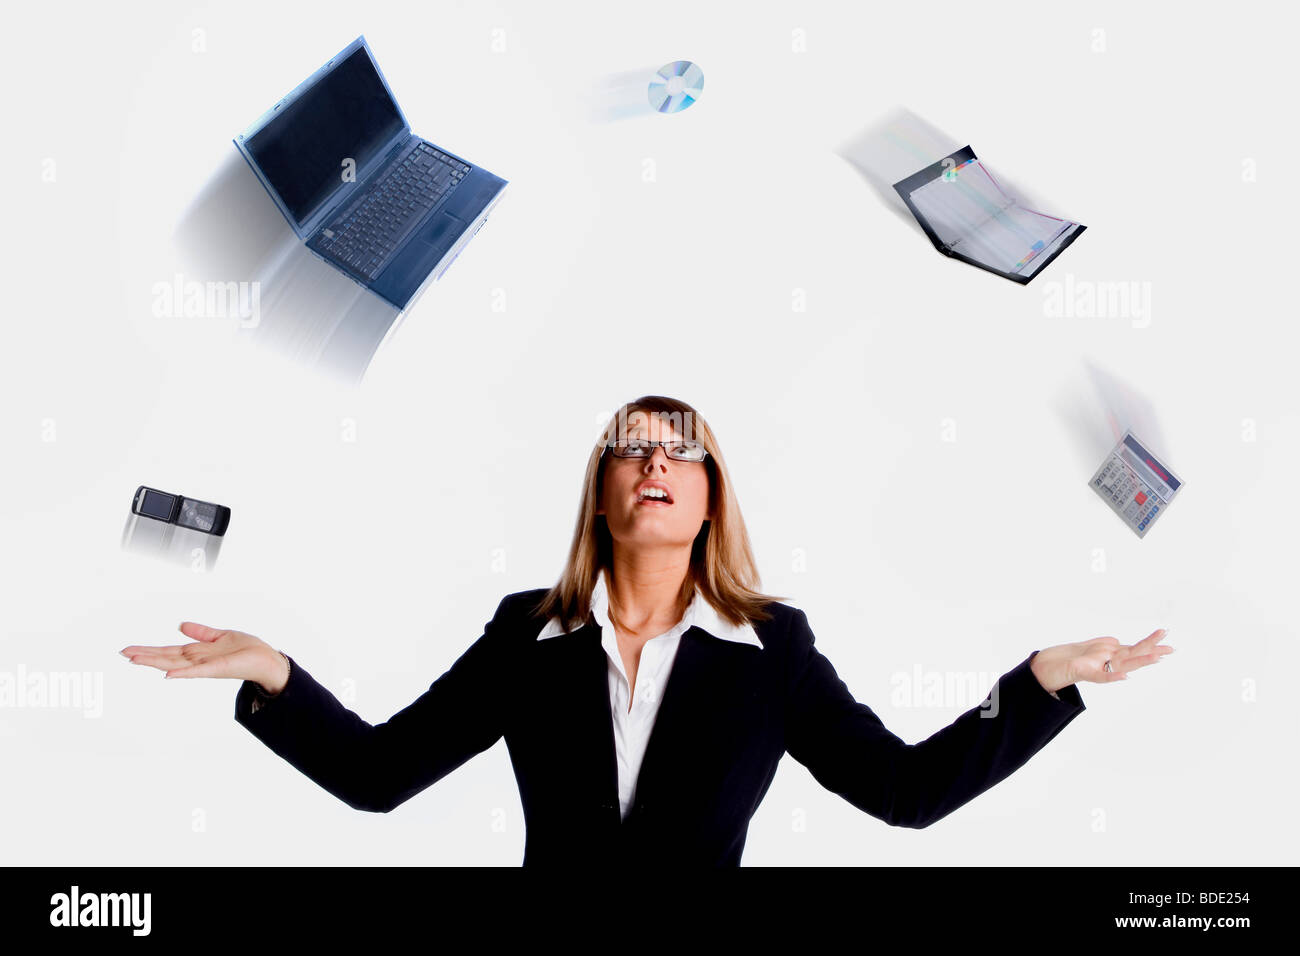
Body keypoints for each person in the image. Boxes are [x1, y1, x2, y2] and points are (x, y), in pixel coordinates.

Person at [122, 395, 1171, 865]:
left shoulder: (773, 650)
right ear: (602, 494)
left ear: (711, 497)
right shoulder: (526, 636)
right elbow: (378, 772)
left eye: (680, 451)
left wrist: (1036, 682)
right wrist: (273, 675)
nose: (654, 463)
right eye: (631, 449)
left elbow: (902, 792)